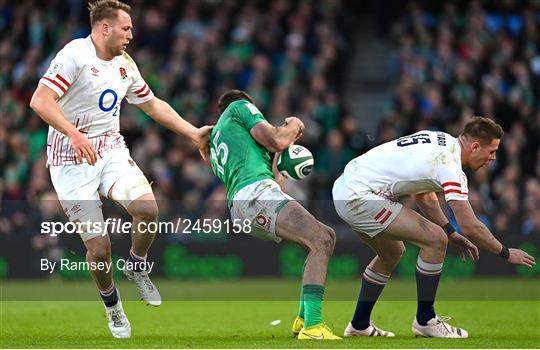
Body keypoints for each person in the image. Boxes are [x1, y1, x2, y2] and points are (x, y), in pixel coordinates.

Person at [29, 0, 212, 339]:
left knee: (148, 209)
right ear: (105, 28)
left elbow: (152, 104)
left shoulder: (124, 64)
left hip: (110, 149)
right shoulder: (75, 55)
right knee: (99, 249)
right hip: (70, 160)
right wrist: (73, 133)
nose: (131, 34)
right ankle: (113, 308)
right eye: (126, 28)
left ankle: (137, 265)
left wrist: (192, 133)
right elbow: (40, 100)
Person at [332, 117, 535, 338]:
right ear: (475, 146)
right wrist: (505, 253)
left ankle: (359, 325)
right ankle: (425, 320)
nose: (493, 158)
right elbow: (470, 225)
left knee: (393, 252)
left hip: (345, 187)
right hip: (360, 197)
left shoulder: (440, 141)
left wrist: (450, 231)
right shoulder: (450, 166)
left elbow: (422, 194)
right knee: (435, 240)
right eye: (492, 151)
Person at [209, 89, 341, 340]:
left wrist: (281, 157)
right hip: (257, 194)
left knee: (322, 238)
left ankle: (303, 320)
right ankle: (313, 326)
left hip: (245, 204)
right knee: (322, 238)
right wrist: (295, 125)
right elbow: (276, 139)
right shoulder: (239, 107)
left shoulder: (219, 140)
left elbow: (275, 177)